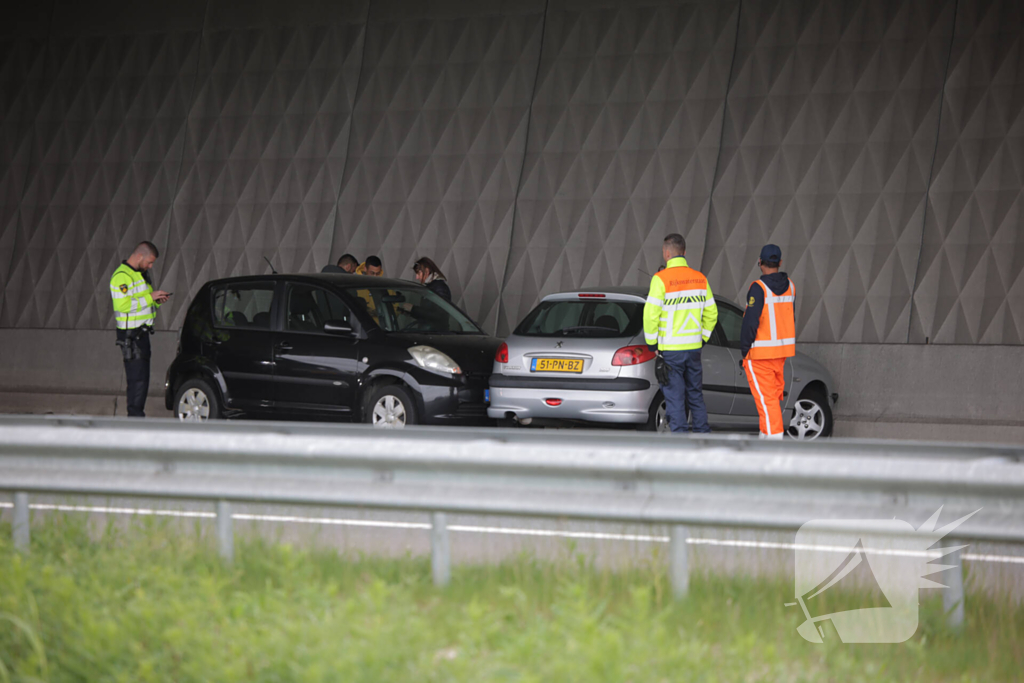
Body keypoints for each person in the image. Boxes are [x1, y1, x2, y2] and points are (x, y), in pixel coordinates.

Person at [643, 234, 718, 433]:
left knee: (675, 397)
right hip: (693, 349)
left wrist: (652, 343)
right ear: (684, 253)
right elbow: (712, 313)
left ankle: (680, 442)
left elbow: (650, 315)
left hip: (671, 351)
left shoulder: (661, 279)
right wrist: (702, 337)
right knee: (695, 394)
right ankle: (703, 435)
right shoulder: (700, 279)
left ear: (666, 254)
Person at [739, 244, 796, 439]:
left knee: (767, 403)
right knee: (771, 401)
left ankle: (773, 446)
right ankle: (766, 440)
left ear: (760, 262)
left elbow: (750, 322)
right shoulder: (791, 286)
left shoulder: (758, 288)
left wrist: (744, 349)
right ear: (779, 263)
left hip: (760, 355)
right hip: (780, 355)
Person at [109, 241, 169, 417]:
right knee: (137, 381)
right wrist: (151, 297)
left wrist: (155, 302)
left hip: (141, 335)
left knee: (142, 381)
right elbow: (123, 306)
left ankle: (136, 418)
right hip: (131, 336)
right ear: (139, 256)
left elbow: (141, 305)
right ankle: (134, 420)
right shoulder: (121, 276)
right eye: (149, 262)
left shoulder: (140, 275)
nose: (150, 266)